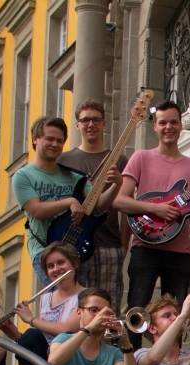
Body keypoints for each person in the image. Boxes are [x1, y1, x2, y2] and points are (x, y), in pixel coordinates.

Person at [113, 99, 190, 308]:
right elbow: (119, 200)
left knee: (175, 314)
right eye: (163, 123)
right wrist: (155, 208)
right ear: (155, 126)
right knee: (137, 310)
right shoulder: (141, 158)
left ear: (180, 124)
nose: (168, 127)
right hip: (144, 246)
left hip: (179, 252)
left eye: (173, 122)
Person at [12, 116, 118, 287]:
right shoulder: (23, 176)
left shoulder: (75, 177)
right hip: (44, 250)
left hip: (75, 249)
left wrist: (116, 185)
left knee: (80, 300)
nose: (55, 144)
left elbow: (98, 206)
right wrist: (69, 201)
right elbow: (36, 210)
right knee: (58, 297)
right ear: (35, 139)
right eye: (49, 139)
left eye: (59, 141)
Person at [57, 99, 129, 295]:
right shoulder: (63, 160)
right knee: (73, 304)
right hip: (71, 246)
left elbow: (126, 207)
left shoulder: (119, 160)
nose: (91, 124)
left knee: (108, 304)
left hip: (108, 244)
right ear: (77, 124)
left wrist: (123, 245)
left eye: (96, 120)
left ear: (104, 124)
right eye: (85, 120)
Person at [10, 241, 84, 365]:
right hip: (47, 361)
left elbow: (67, 329)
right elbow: (42, 338)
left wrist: (32, 320)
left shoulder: (86, 296)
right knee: (30, 337)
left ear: (74, 264)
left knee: (35, 333)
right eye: (50, 266)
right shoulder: (45, 298)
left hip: (72, 359)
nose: (56, 269)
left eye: (61, 262)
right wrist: (12, 332)